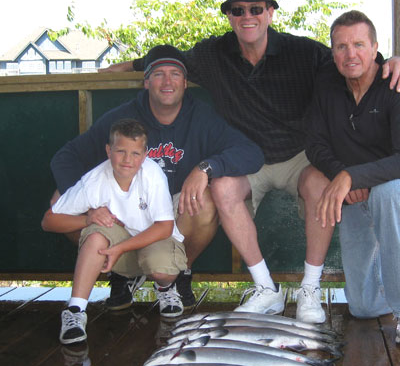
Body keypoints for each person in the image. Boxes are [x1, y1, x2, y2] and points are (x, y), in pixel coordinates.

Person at [103, 0, 400, 322]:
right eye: (238, 10)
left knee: (319, 184)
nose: (247, 16)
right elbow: (169, 59)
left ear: (270, 13)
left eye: (256, 9)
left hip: (300, 155)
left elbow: (351, 57)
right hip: (248, 158)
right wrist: (124, 68)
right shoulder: (213, 54)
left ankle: (310, 289)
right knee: (221, 188)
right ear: (229, 16)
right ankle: (266, 288)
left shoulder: (303, 52)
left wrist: (394, 60)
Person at [50, 45, 264, 313]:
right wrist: (90, 209)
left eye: (175, 74)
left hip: (173, 211)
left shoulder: (202, 117)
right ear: (146, 81)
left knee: (205, 200)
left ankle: (178, 273)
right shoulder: (123, 117)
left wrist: (205, 168)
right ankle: (123, 272)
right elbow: (65, 157)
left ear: (185, 83)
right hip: (125, 212)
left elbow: (251, 153)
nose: (167, 82)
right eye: (159, 74)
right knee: (61, 199)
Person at [303, 10, 400, 345]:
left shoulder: (398, 83)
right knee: (361, 307)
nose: (351, 54)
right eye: (341, 47)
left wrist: (351, 175)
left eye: (359, 44)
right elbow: (315, 145)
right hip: (358, 194)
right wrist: (343, 176)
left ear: (376, 49)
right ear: (332, 53)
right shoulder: (327, 86)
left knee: (389, 192)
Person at [42, 118, 188, 343]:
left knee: (162, 271)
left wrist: (119, 248)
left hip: (154, 242)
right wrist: (88, 218)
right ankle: (75, 311)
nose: (128, 160)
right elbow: (49, 221)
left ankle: (165, 288)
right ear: (109, 150)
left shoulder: (152, 174)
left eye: (136, 154)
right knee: (96, 231)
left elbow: (165, 227)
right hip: (123, 249)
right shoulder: (94, 180)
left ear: (145, 154)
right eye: (121, 151)